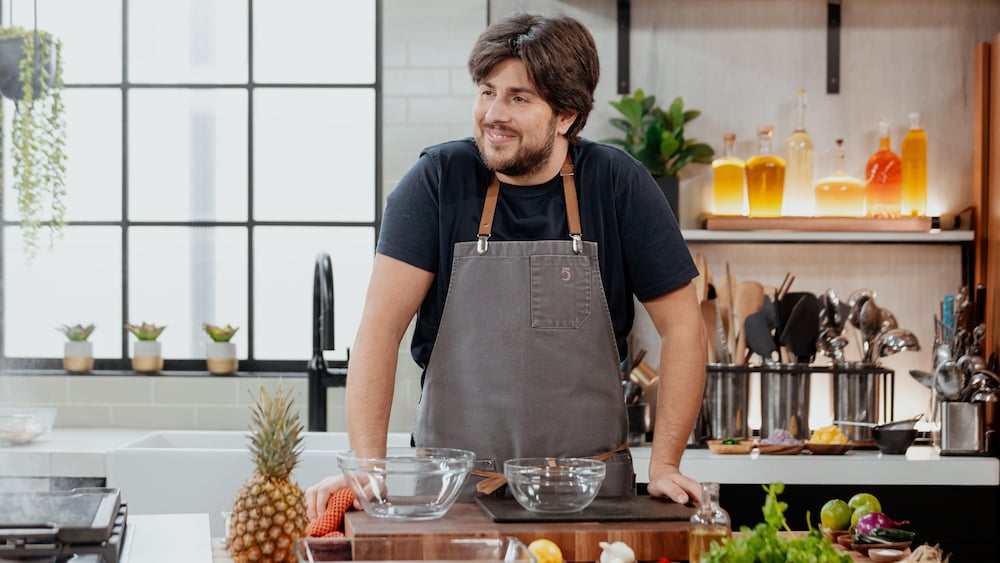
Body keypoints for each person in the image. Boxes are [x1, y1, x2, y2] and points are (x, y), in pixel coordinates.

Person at [306, 12, 706, 521]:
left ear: (566, 115)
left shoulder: (617, 183)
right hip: (453, 499)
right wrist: (367, 465)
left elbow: (685, 328)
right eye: (487, 91)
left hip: (589, 501)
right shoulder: (437, 181)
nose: (493, 113)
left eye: (519, 98)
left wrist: (667, 464)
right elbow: (379, 332)